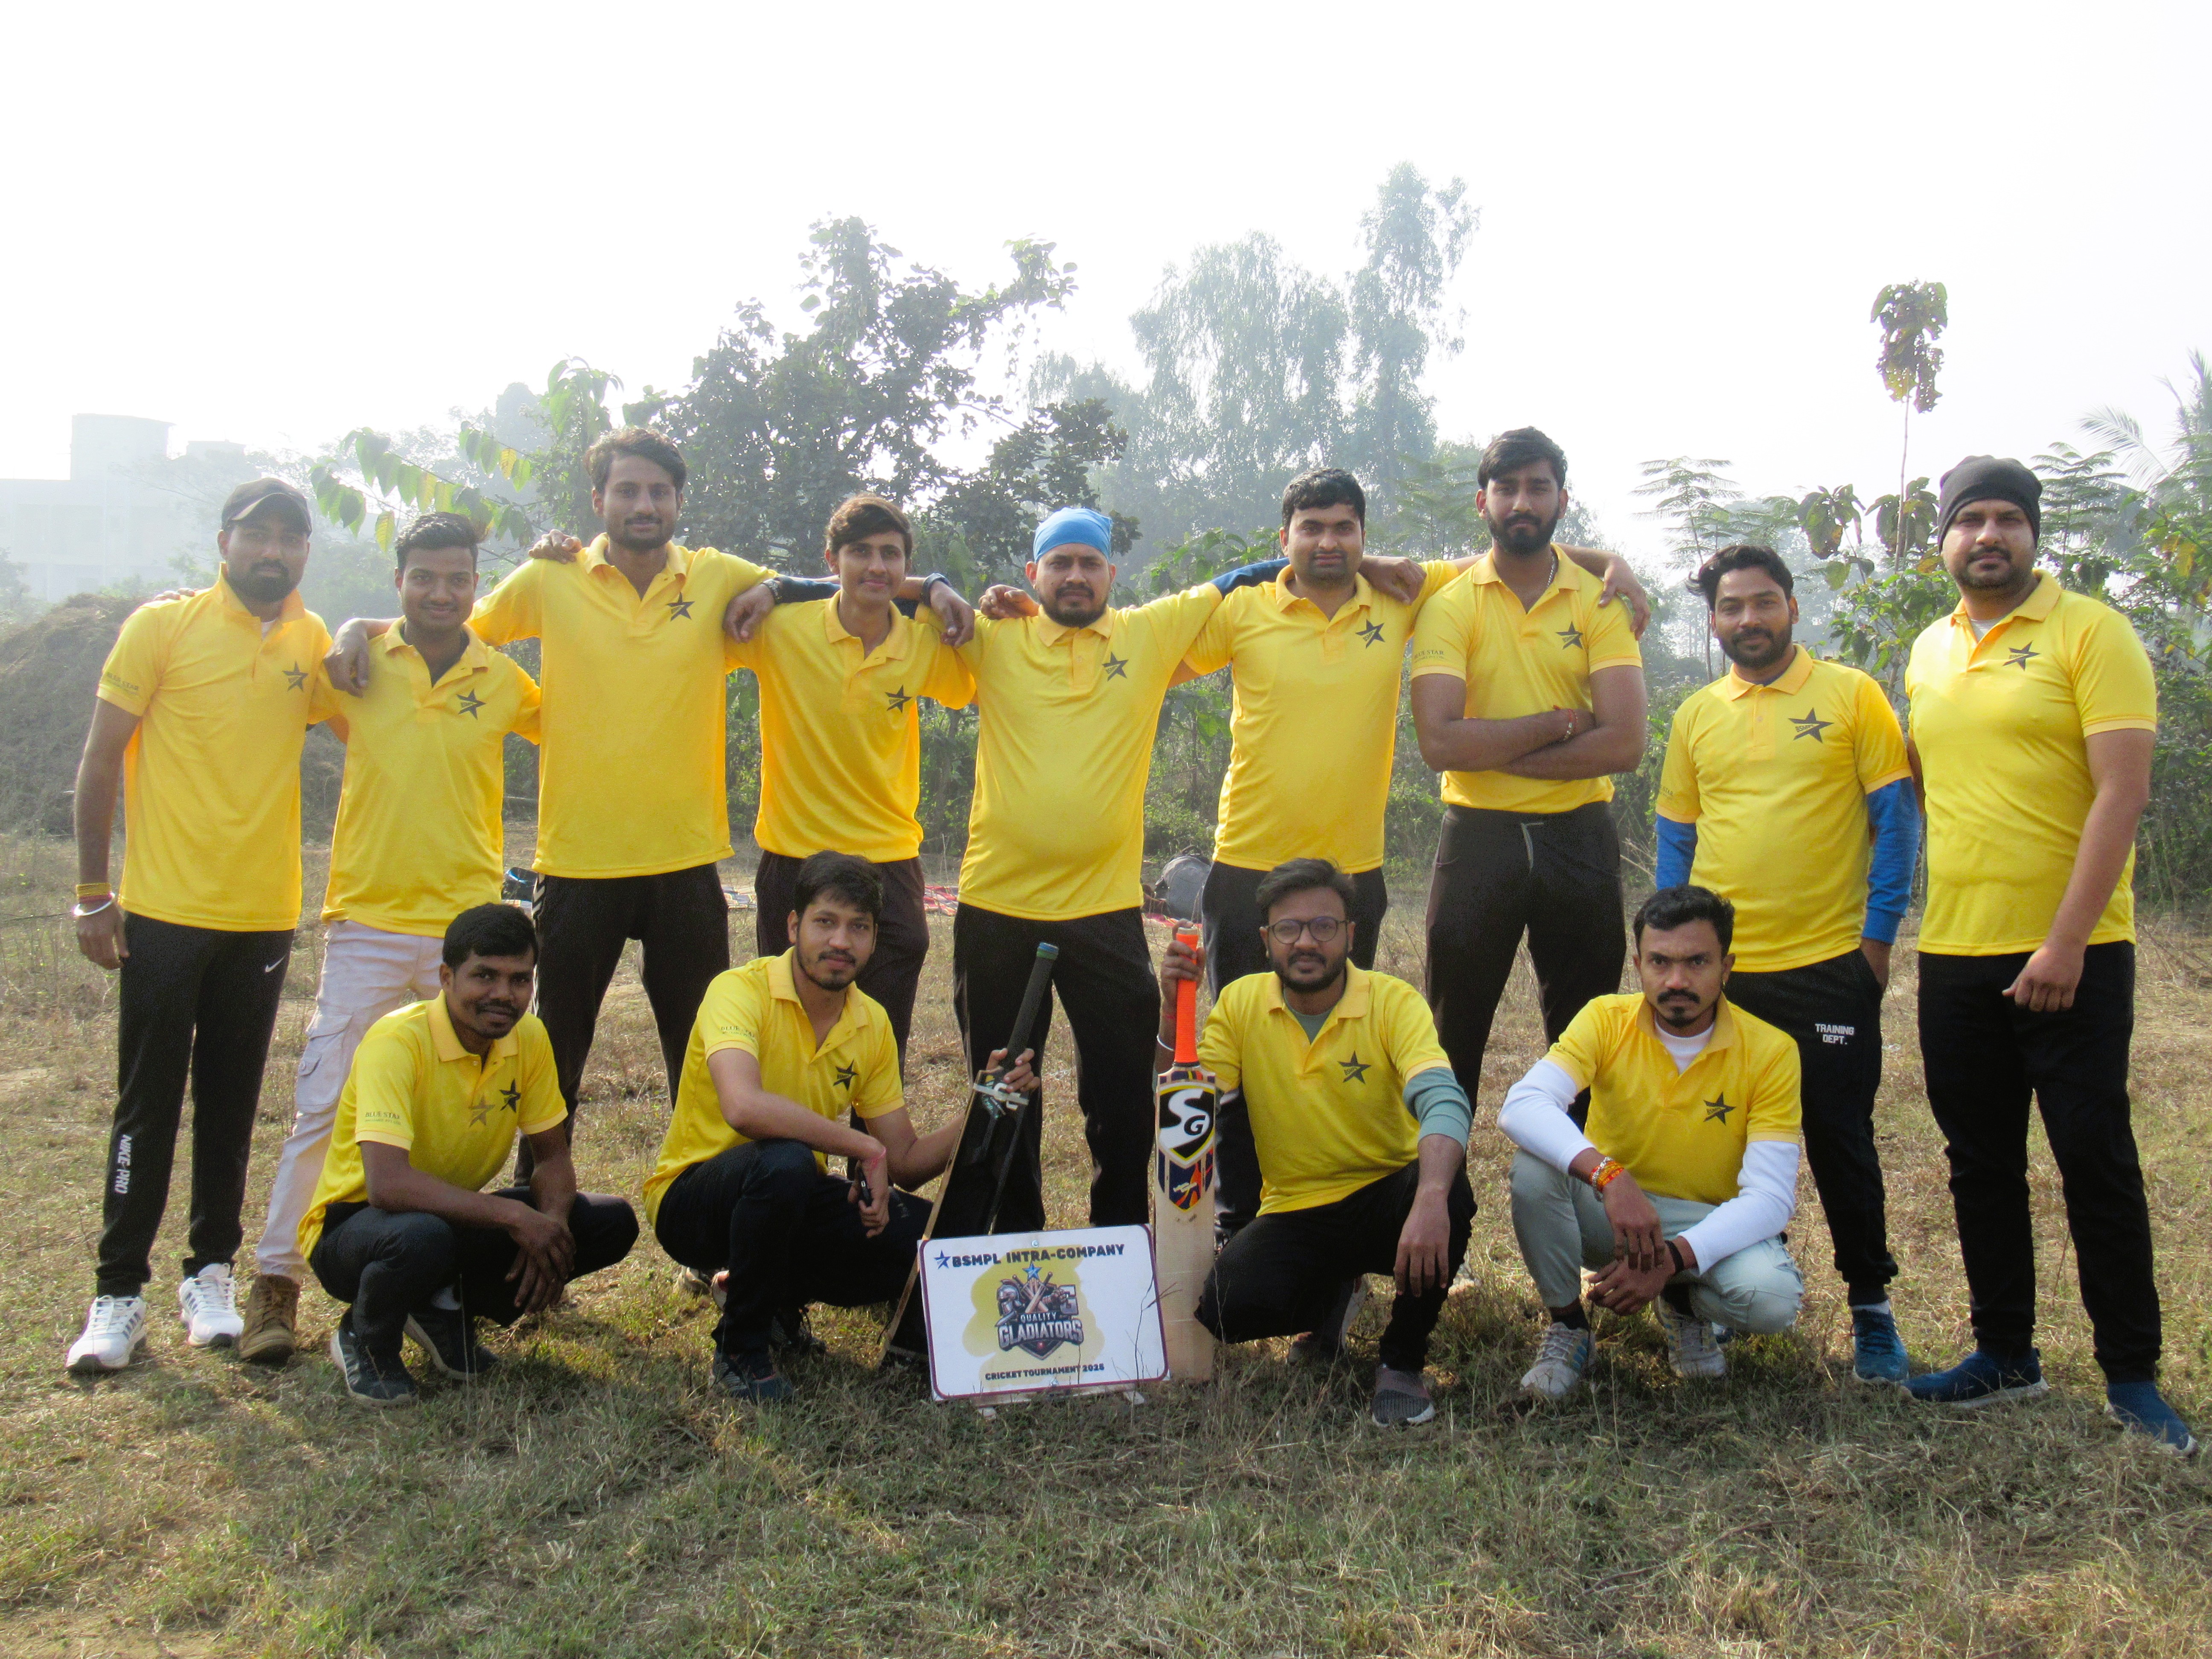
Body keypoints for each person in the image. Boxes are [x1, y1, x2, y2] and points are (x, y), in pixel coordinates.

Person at [1181, 466, 1649, 1235]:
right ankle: (1241, 1228)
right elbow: (1153, 661)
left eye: (1344, 529)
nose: (1327, 542)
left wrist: (1612, 561)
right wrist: (1561, 724)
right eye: (1310, 529)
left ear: (1365, 537)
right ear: (1282, 537)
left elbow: (1513, 550)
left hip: (1353, 873)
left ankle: (1338, 1229)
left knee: (1344, 1055)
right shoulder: (1243, 610)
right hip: (1246, 865)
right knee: (1241, 1060)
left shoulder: (1401, 596)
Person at [1901, 455, 2194, 1455]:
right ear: (1943, 539)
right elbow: (1928, 784)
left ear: (2033, 533)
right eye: (1969, 519)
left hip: (2075, 952)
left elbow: (2122, 792)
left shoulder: (2091, 633)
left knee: (2092, 1158)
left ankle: (2132, 1376)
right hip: (1954, 951)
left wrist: (2064, 940)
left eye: (2007, 519)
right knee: (1978, 1162)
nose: (1988, 535)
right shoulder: (1928, 649)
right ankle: (2004, 1354)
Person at [240, 512, 542, 1365]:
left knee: (472, 1107)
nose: (441, 593)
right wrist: (354, 629)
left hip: (468, 936)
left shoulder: (507, 681)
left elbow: (583, 734)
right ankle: (275, 1281)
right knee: (325, 1104)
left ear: (476, 585)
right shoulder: (355, 668)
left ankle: (453, 1279)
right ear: (399, 580)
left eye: (458, 579)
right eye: (424, 578)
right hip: (368, 921)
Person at [65, 478, 340, 1376]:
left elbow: (375, 709)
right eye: (256, 535)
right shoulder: (162, 626)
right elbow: (101, 759)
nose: (272, 551)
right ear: (225, 542)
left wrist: (369, 634)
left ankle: (209, 1275)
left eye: (289, 538)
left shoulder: (312, 641)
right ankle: (117, 1294)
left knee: (229, 1103)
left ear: (305, 552)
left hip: (262, 916)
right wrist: (93, 892)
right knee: (146, 1103)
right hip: (164, 913)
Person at [1654, 542, 1921, 1383]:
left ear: (1792, 608)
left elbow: (1897, 820)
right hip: (1723, 976)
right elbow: (1676, 838)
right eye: (1731, 607)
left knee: (1840, 1138)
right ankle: (1719, 1296)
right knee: (1717, 1144)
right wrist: (1670, 954)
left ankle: (1871, 1310)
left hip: (1828, 964)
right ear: (1713, 620)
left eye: (1763, 602)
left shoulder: (1851, 694)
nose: (1748, 619)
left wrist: (1876, 942)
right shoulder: (1696, 714)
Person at [646, 852, 1032, 1403]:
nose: (840, 942)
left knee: (926, 1241)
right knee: (786, 1162)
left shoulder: (870, 1022)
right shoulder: (739, 990)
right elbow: (744, 1108)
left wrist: (986, 1102)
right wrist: (860, 1145)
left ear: (874, 941)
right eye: (825, 922)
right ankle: (740, 1351)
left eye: (859, 928)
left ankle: (771, 1297)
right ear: (793, 926)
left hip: (788, 1196)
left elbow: (905, 1162)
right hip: (692, 1203)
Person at [1162, 858, 1475, 1427]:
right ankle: (1336, 1294)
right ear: (1266, 940)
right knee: (1227, 1309)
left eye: (1324, 926)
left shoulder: (1392, 1000)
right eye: (1289, 928)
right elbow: (1184, 1108)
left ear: (1351, 935)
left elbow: (1444, 1100)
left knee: (1448, 1191)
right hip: (1297, 1208)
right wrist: (1172, 1009)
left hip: (1389, 1197)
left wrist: (1431, 1197)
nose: (1306, 942)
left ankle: (1402, 1360)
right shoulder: (1241, 1003)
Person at [300, 904, 638, 1405]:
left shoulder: (529, 1037)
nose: (503, 994)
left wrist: (551, 1226)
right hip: (354, 1226)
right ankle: (365, 1337)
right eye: (484, 976)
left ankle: (439, 1307)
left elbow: (552, 1157)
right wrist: (515, 1217)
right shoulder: (397, 1041)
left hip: (443, 1216)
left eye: (519, 979)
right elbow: (387, 1185)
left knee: (608, 1223)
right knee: (421, 1237)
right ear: (446, 978)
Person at [1410, 427, 1647, 1110]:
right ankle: (1442, 1179)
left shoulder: (1599, 600)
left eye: (1538, 488)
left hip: (1580, 836)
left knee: (1585, 1038)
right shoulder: (1449, 604)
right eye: (1507, 488)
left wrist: (1496, 748)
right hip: (1478, 838)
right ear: (1481, 501)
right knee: (1451, 1037)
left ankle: (1577, 1176)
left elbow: (1625, 744)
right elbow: (1441, 745)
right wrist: (1560, 723)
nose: (1522, 502)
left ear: (1563, 500)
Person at [1497, 886, 1805, 1400]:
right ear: (1638, 965)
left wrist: (1670, 1259)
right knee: (1534, 1167)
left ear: (1726, 968)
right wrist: (1610, 1177)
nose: (1677, 981)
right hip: (1613, 1216)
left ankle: (1682, 1303)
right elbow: (1522, 1104)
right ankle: (1570, 1328)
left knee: (1772, 1299)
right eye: (1660, 962)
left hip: (1704, 1222)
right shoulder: (1606, 1018)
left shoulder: (1772, 1052)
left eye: (1697, 962)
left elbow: (1771, 1199)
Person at [724, 494, 974, 1062]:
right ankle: (790, 1124)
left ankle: (875, 1124)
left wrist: (937, 588)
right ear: (832, 560)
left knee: (880, 1036)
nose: (877, 567)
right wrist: (775, 589)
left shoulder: (924, 644)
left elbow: (986, 681)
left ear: (906, 564)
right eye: (860, 552)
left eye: (891, 554)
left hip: (889, 857)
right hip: (795, 856)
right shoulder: (780, 628)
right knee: (789, 1034)